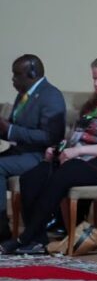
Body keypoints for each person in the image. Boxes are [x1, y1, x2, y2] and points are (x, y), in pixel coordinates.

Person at [0, 56, 97, 254]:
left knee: (61, 176)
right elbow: (76, 136)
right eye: (94, 79)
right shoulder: (93, 104)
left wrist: (79, 151)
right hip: (80, 158)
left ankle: (24, 237)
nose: (96, 84)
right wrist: (59, 148)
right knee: (31, 177)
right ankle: (38, 240)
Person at [0, 55, 66, 241]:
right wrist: (4, 129)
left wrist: (10, 130)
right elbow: (12, 129)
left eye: (17, 74)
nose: (13, 79)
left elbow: (51, 136)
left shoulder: (50, 95)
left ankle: (1, 226)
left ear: (32, 73)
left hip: (40, 156)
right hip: (21, 152)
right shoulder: (23, 94)